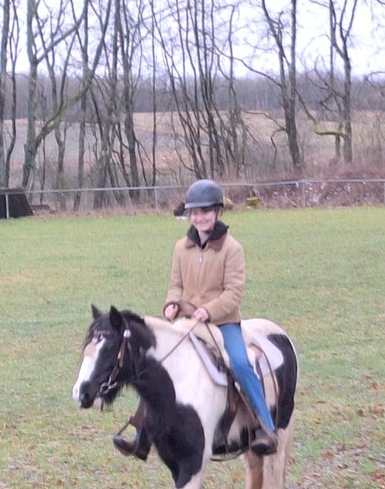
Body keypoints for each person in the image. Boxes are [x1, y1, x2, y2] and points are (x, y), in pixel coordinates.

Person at [113, 179, 279, 460]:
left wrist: (209, 311)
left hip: (223, 323)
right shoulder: (181, 247)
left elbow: (234, 293)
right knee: (157, 363)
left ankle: (265, 427)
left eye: (205, 211)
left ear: (217, 211)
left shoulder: (232, 249)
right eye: (194, 212)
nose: (200, 217)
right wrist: (171, 304)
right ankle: (142, 433)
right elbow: (175, 285)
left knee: (240, 363)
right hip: (188, 323)